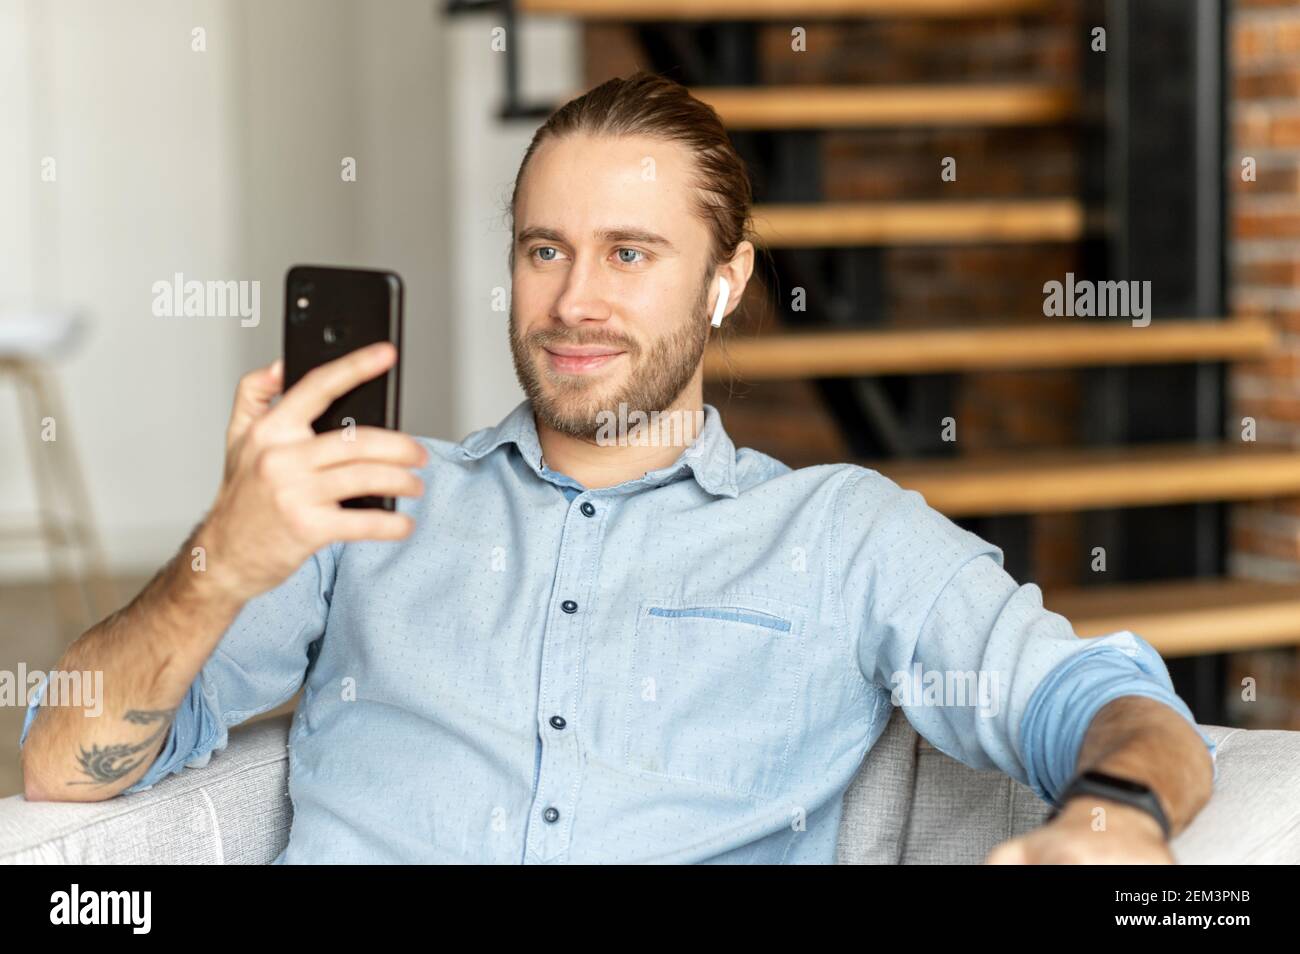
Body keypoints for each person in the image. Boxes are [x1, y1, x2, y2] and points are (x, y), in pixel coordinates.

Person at [19, 72, 1214, 863]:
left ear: (726, 281)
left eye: (629, 253)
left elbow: (1108, 706)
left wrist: (1114, 816)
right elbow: (60, 769)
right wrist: (218, 564)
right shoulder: (362, 496)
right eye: (544, 249)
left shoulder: (841, 536)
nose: (574, 301)